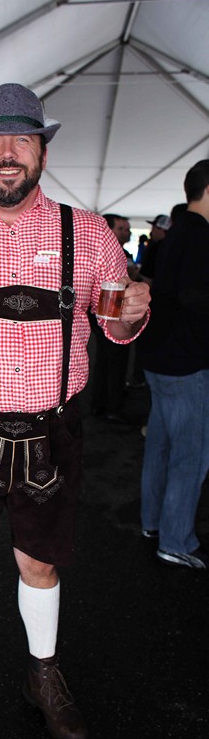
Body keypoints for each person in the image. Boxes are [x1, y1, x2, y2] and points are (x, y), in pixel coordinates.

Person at [0, 84, 150, 739]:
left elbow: (114, 324)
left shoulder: (90, 231)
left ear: (44, 152)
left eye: (23, 139)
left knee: (40, 564)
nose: (8, 153)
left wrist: (129, 316)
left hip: (56, 428)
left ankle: (43, 674)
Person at [138, 160, 209, 569]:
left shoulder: (175, 233)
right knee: (190, 454)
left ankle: (154, 523)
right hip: (187, 360)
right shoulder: (200, 237)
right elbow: (195, 296)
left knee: (161, 447)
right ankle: (177, 538)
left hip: (160, 356)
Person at [89, 213, 139, 419]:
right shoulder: (98, 254)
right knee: (110, 360)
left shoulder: (124, 252)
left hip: (120, 316)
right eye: (121, 229)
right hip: (106, 316)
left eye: (127, 229)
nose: (126, 233)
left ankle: (106, 401)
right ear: (107, 230)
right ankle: (109, 406)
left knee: (112, 360)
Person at [137, 214, 171, 285]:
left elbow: (147, 277)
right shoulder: (172, 247)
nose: (151, 231)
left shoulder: (156, 247)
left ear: (160, 229)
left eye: (153, 227)